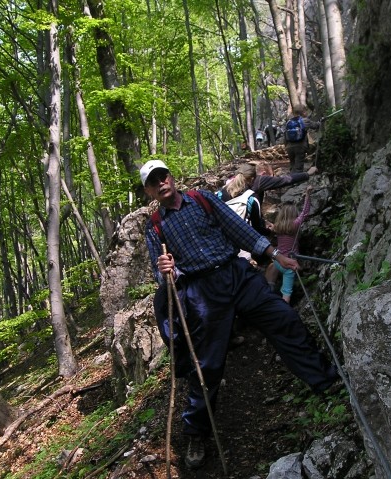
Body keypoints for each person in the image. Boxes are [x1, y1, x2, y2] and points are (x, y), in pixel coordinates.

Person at [140, 159, 337, 470]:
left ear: (171, 178)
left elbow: (238, 230)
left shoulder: (201, 200)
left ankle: (325, 382)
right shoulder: (155, 227)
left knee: (284, 319)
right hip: (201, 292)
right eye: (154, 182)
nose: (161, 183)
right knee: (206, 366)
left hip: (237, 274)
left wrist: (275, 254)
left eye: (163, 176)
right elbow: (162, 271)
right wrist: (165, 270)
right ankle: (196, 432)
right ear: (149, 190)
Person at [271, 185, 313, 302]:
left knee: (272, 271)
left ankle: (270, 288)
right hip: (289, 264)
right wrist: (308, 195)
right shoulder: (295, 224)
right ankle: (284, 312)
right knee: (286, 291)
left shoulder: (277, 226)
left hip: (278, 261)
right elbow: (305, 212)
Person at [284, 104, 321, 173]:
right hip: (300, 147)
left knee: (292, 164)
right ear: (304, 112)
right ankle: (297, 181)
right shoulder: (305, 120)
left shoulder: (289, 122)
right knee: (299, 166)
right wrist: (320, 122)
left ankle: (291, 180)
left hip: (289, 147)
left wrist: (286, 146)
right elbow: (315, 126)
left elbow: (285, 136)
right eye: (306, 111)